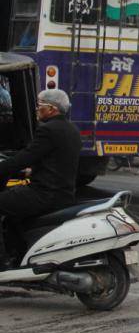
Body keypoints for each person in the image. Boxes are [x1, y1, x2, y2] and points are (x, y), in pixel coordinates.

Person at [0, 89, 81, 269]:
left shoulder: (48, 130)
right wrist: (30, 171)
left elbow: (24, 157)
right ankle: (18, 256)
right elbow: (56, 161)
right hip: (63, 193)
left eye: (40, 105)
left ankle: (2, 262)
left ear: (51, 109)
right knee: (12, 216)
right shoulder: (72, 129)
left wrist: (5, 168)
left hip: (44, 194)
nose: (37, 109)